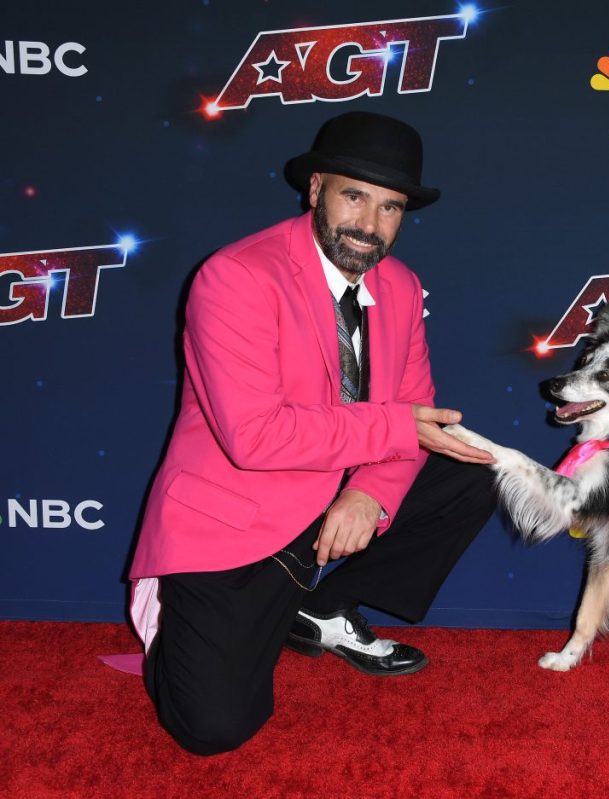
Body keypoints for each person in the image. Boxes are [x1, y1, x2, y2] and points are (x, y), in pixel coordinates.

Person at [128, 111, 497, 755]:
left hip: (331, 500)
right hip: (237, 518)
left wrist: (371, 495)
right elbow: (254, 437)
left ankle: (322, 605)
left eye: (390, 207)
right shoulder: (236, 276)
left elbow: (416, 413)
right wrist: (392, 431)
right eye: (354, 196)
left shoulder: (402, 288)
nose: (370, 225)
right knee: (211, 730)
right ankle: (173, 618)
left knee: (473, 465)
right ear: (316, 188)